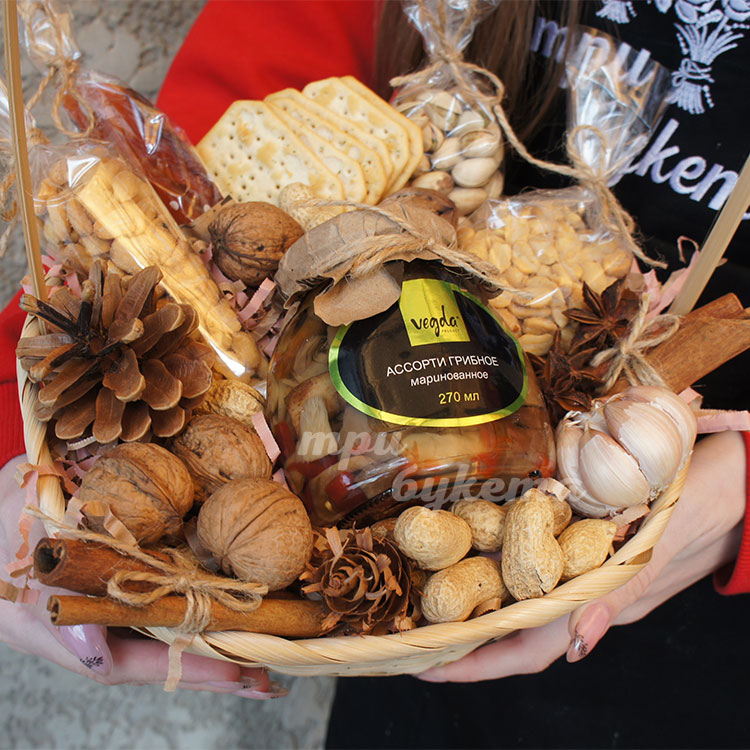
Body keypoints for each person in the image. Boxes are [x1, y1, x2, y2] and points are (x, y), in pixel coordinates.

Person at [1, 0, 748, 733]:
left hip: (700, 631)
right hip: (390, 641)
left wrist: (737, 497)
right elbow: (157, 226)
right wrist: (19, 465)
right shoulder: (293, 298)